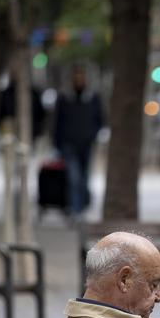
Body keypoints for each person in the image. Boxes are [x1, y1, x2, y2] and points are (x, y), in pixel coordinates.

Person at [54, 64, 104, 219]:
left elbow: (99, 119)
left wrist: (93, 135)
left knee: (85, 177)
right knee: (74, 177)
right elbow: (58, 122)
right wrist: (57, 143)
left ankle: (82, 205)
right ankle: (76, 209)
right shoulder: (64, 98)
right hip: (69, 144)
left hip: (87, 144)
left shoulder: (92, 98)